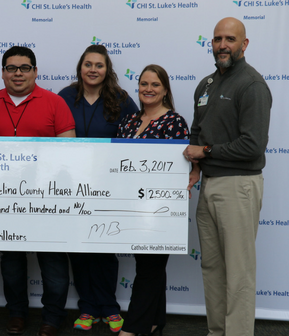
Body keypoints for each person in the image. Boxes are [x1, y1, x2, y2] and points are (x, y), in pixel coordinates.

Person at [183, 17, 271, 336]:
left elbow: (252, 145)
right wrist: (196, 165)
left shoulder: (252, 85)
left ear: (244, 45)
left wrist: (204, 152)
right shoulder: (206, 84)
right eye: (218, 39)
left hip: (238, 186)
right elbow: (197, 131)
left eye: (230, 39)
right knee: (213, 268)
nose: (223, 45)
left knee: (238, 273)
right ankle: (217, 331)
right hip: (208, 186)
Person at [0, 46, 75, 336]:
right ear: (3, 72)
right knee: (11, 264)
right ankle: (17, 313)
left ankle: (52, 317)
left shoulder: (55, 102)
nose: (17, 73)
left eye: (24, 67)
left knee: (54, 264)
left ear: (35, 71)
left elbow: (70, 154)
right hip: (4, 202)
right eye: (11, 68)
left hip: (49, 200)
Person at [57, 44, 139, 333]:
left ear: (108, 70)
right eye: (88, 64)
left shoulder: (122, 100)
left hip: (109, 188)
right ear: (80, 67)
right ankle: (88, 307)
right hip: (71, 188)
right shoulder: (65, 97)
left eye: (99, 65)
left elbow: (135, 139)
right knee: (78, 248)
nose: (93, 69)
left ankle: (109, 306)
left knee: (105, 248)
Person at [117, 65, 189, 336]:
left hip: (161, 208)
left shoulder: (175, 122)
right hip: (131, 206)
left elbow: (177, 169)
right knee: (148, 264)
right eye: (143, 83)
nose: (148, 89)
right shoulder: (128, 121)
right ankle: (156, 319)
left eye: (155, 85)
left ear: (165, 90)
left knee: (149, 267)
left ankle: (133, 327)